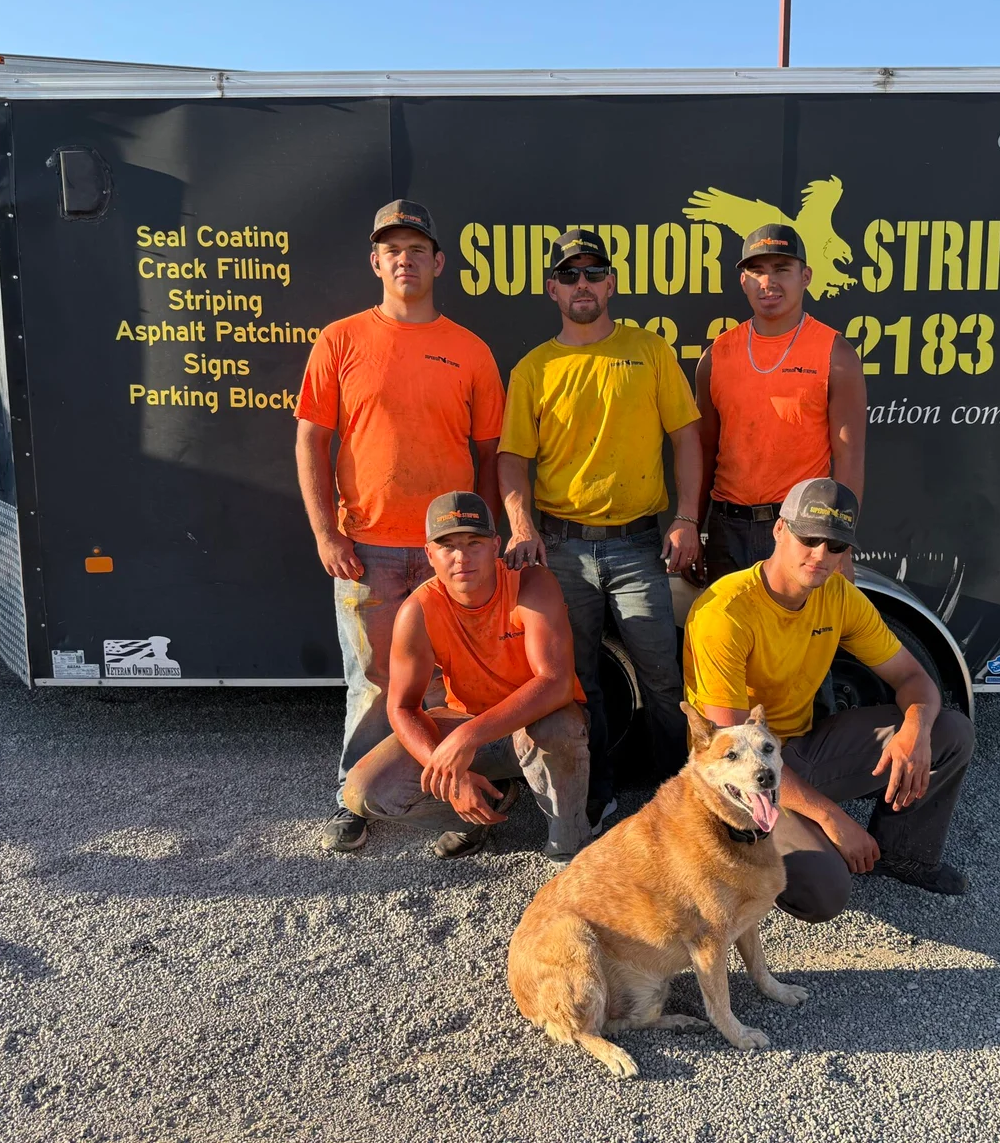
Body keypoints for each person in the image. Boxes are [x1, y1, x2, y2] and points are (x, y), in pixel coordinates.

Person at [295, 200, 505, 853]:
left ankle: (457, 797)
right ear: (375, 262)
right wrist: (326, 533)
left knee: (451, 684)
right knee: (373, 680)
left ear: (438, 263)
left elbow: (491, 454)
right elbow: (311, 441)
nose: (405, 260)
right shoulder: (340, 340)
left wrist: (482, 542)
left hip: (451, 553)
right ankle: (352, 799)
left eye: (417, 250)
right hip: (368, 549)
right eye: (392, 250)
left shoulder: (470, 350)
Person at [683, 477, 976, 921]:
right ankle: (736, 850)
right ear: (779, 530)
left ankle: (903, 854)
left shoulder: (839, 597)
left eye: (835, 545)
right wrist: (832, 817)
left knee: (950, 730)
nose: (821, 555)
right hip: (736, 778)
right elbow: (735, 751)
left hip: (799, 748)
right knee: (825, 892)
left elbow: (913, 677)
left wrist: (915, 733)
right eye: (809, 538)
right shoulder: (726, 612)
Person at [497, 229, 704, 834]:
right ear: (552, 289)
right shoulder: (534, 369)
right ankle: (596, 796)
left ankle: (681, 799)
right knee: (579, 681)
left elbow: (687, 438)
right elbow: (511, 458)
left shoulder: (650, 350)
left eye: (593, 273)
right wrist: (520, 523)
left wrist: (687, 518)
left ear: (611, 283)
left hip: (639, 544)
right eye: (569, 275)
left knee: (664, 678)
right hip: (561, 548)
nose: (582, 284)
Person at [342, 492, 591, 862]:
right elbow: (402, 707)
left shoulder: (530, 584)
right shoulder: (418, 610)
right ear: (429, 554)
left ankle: (569, 848)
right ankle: (476, 813)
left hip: (531, 722)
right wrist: (450, 775)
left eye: (474, 543)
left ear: (495, 546)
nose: (461, 557)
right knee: (363, 791)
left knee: (560, 728)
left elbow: (556, 683)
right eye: (448, 546)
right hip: (466, 721)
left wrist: (466, 737)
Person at [695, 225, 866, 580]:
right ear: (743, 281)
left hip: (803, 530)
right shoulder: (716, 356)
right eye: (756, 271)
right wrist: (693, 528)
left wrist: (839, 545)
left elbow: (849, 457)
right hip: (726, 530)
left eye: (781, 269)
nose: (768, 282)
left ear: (806, 277)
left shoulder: (836, 355)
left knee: (800, 620)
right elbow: (704, 452)